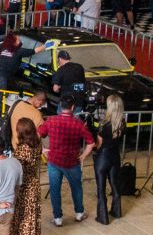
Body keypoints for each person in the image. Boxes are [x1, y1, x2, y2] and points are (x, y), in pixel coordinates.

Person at [40, 96, 94, 227]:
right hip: (72, 162)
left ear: (60, 106)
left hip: (54, 161)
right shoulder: (78, 123)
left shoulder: (51, 121)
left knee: (54, 190)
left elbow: (37, 134)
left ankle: (58, 218)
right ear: (73, 108)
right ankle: (79, 213)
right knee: (76, 188)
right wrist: (83, 156)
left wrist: (42, 149)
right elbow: (91, 143)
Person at [10, 117, 43, 235]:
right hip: (34, 185)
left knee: (21, 222)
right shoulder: (37, 144)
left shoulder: (23, 149)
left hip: (24, 188)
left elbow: (16, 171)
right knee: (31, 221)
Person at [90, 94, 125, 225]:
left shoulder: (103, 124)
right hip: (115, 157)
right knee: (115, 186)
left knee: (101, 188)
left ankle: (103, 217)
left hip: (102, 158)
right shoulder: (122, 123)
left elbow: (98, 145)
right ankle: (116, 211)